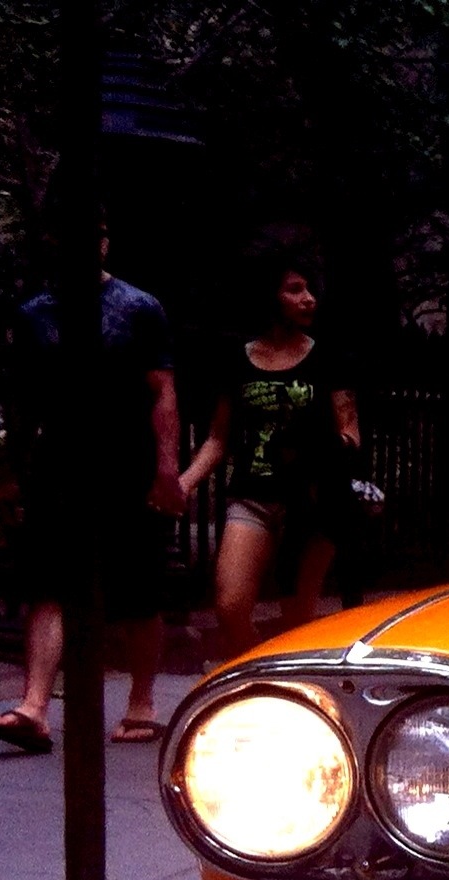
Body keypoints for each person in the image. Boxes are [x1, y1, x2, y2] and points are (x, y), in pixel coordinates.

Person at [0, 230, 185, 752]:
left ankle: (142, 702)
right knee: (50, 583)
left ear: (105, 241)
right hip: (61, 462)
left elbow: (162, 391)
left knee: (138, 587)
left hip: (128, 459)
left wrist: (167, 470)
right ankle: (34, 707)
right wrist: (12, 470)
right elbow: (23, 401)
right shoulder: (36, 314)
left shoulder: (139, 307)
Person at [177, 248, 359, 662]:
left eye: (311, 290)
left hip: (310, 503)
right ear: (269, 296)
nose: (308, 299)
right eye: (295, 289)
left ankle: (288, 683)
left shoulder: (328, 358)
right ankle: (261, 669)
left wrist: (320, 447)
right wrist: (184, 483)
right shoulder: (238, 361)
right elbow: (218, 439)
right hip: (253, 495)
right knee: (230, 606)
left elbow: (350, 433)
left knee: (297, 615)